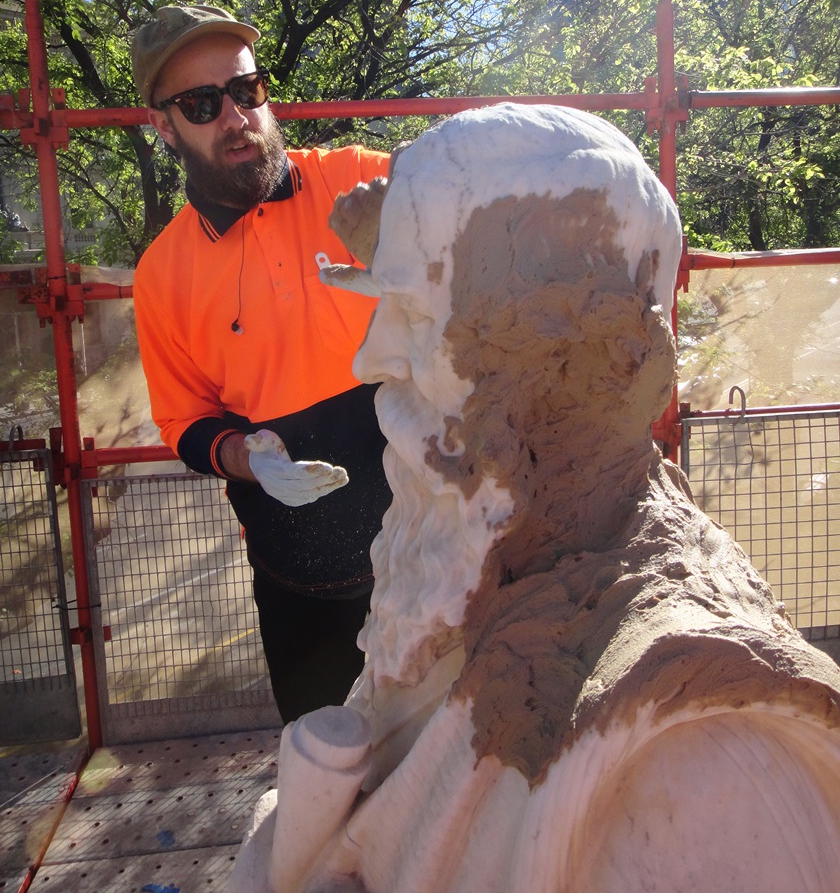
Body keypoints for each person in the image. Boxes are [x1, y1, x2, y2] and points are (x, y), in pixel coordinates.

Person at [229, 102, 840, 893]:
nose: (369, 359)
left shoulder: (698, 778)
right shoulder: (470, 590)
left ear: (574, 365)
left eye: (412, 311)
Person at [130, 4, 392, 723]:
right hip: (298, 586)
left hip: (434, 559)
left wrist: (422, 273)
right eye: (203, 104)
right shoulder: (162, 274)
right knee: (331, 785)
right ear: (164, 126)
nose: (236, 117)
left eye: (246, 91)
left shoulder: (359, 183)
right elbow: (186, 424)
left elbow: (476, 204)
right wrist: (249, 455)